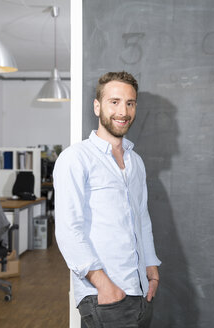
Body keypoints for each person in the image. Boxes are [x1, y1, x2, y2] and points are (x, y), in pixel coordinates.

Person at [53, 71, 161, 328]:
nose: (123, 111)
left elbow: (141, 217)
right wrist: (104, 285)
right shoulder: (75, 158)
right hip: (104, 295)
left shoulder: (135, 161)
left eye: (130, 103)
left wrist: (151, 264)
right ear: (97, 106)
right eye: (114, 102)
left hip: (140, 291)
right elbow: (69, 230)